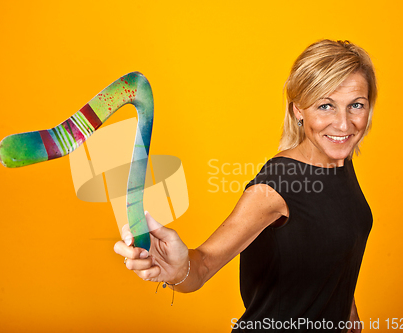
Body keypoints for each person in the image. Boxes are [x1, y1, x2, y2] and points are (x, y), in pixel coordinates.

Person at [114, 39, 377, 333]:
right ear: (298, 110)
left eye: (356, 105)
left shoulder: (340, 161)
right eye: (326, 106)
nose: (343, 124)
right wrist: (178, 269)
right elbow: (202, 265)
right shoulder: (278, 184)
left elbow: (336, 261)